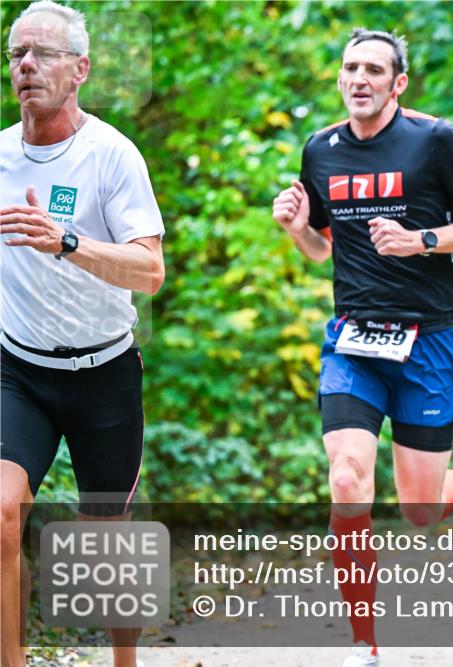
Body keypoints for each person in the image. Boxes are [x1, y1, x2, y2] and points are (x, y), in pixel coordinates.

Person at [271, 28, 453, 667]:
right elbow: (323, 247)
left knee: (420, 509)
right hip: (353, 340)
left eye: (374, 69)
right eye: (351, 67)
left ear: (398, 83)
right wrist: (297, 229)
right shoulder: (320, 150)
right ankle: (365, 646)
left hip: (428, 340)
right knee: (347, 479)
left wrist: (421, 240)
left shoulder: (435, 141)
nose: (359, 79)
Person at [0, 3, 165, 666]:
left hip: (104, 374)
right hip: (19, 372)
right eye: (16, 55)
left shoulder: (112, 155)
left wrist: (67, 241)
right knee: (2, 514)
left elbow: (150, 270)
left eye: (42, 53)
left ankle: (123, 661)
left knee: (107, 545)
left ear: (80, 70)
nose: (27, 66)